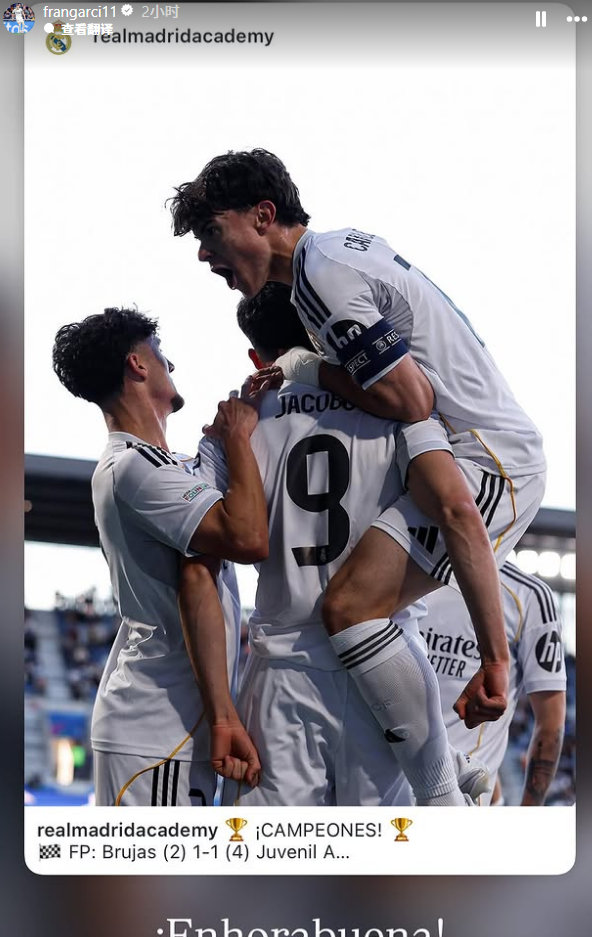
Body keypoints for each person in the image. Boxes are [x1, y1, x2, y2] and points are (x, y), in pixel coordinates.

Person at [169, 149, 545, 798]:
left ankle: (445, 790)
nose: (205, 254)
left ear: (262, 216)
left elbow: (411, 399)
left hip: (490, 460)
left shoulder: (320, 278)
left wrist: (303, 368)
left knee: (352, 608)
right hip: (461, 449)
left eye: (211, 232)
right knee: (361, 614)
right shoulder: (339, 252)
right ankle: (448, 775)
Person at [196, 283, 486, 806]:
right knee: (389, 849)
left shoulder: (235, 424)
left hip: (283, 666)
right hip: (382, 663)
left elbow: (202, 550)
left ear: (257, 359)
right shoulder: (398, 406)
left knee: (263, 853)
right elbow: (455, 505)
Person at [52, 306, 268, 805]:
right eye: (161, 354)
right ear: (138, 364)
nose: (171, 365)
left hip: (167, 727)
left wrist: (237, 418)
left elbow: (206, 472)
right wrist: (237, 437)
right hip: (155, 728)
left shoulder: (158, 465)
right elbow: (247, 538)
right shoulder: (132, 467)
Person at [421, 561, 567, 806]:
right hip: (401, 785)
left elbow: (550, 725)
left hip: (455, 796)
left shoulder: (527, 595)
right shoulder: (410, 569)